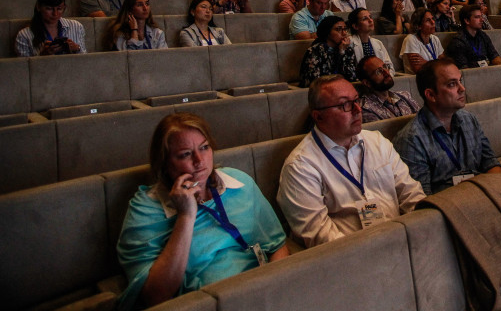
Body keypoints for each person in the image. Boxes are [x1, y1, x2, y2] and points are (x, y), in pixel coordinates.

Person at [117, 113, 287, 309]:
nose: (199, 160)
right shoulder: (146, 209)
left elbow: (277, 247)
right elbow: (155, 296)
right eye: (185, 154)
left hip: (263, 294)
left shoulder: (239, 183)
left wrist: (274, 289)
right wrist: (186, 216)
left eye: (204, 147)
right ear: (164, 163)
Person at [276, 75, 424, 248]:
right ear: (318, 116)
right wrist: (375, 252)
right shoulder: (300, 167)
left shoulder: (377, 141)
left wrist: (422, 227)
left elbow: (410, 192)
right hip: (351, 258)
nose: (357, 110)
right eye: (344, 105)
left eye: (356, 100)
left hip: (402, 242)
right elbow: (321, 236)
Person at [392, 59, 501, 195]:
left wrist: (497, 190)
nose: (462, 89)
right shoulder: (411, 139)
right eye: (452, 84)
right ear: (431, 95)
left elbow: (491, 163)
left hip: (480, 197)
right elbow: (422, 201)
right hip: (446, 210)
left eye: (460, 81)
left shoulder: (469, 119)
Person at [15, 0, 87, 56]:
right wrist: (42, 56)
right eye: (49, 9)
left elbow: (85, 60)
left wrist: (77, 48)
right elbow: (24, 66)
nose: (55, 14)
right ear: (38, 7)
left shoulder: (76, 26)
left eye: (59, 9)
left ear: (64, 8)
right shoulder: (24, 35)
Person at [357, 56, 421, 123]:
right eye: (379, 71)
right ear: (367, 83)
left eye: (385, 67)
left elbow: (423, 120)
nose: (386, 72)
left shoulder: (404, 95)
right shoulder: (366, 109)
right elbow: (385, 133)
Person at [298, 16, 357, 87]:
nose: (344, 33)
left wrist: (342, 52)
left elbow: (351, 76)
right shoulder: (316, 51)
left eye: (345, 29)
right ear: (328, 32)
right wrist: (340, 54)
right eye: (339, 29)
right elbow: (316, 81)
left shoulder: (347, 49)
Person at [445, 4, 501, 68]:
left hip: (485, 72)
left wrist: (497, 65)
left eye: (481, 16)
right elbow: (464, 69)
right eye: (477, 17)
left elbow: (494, 55)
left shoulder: (482, 35)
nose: (482, 20)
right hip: (470, 75)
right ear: (467, 21)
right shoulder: (458, 42)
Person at [347, 7, 395, 75]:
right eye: (365, 19)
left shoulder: (378, 43)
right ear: (355, 26)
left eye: (370, 17)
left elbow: (390, 66)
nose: (370, 20)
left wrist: (383, 77)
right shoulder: (349, 42)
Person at [400, 7, 445, 73]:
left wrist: (426, 63)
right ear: (418, 26)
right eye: (428, 20)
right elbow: (418, 70)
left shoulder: (435, 39)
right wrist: (437, 63)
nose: (433, 22)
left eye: (432, 19)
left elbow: (445, 63)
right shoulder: (411, 39)